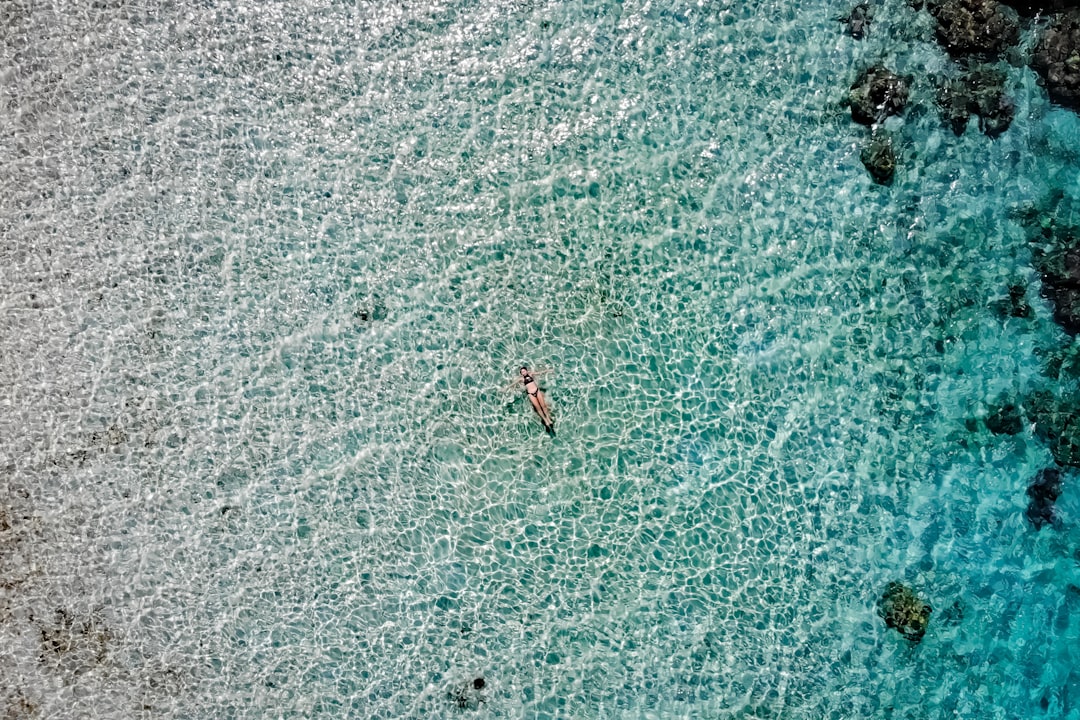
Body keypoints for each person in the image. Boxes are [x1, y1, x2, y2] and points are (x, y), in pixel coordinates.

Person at [511, 365, 555, 434]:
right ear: (521, 374)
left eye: (524, 371)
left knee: (543, 406)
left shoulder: (531, 374)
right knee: (538, 408)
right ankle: (545, 420)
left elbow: (540, 373)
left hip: (537, 391)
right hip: (530, 394)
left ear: (526, 371)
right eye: (522, 372)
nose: (523, 373)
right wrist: (505, 389)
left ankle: (549, 419)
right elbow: (513, 384)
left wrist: (548, 370)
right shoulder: (521, 379)